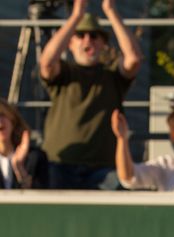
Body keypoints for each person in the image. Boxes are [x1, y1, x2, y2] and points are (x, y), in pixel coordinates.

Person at [39, 0, 142, 190]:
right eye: (80, 35)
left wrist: (110, 11)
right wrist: (76, 16)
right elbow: (46, 62)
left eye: (94, 36)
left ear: (103, 43)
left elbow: (133, 59)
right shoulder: (64, 74)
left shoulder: (113, 76)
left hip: (104, 171)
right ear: (70, 42)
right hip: (59, 165)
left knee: (126, 189)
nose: (88, 40)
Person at [0, 98, 48, 189]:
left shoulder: (35, 158)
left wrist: (20, 169)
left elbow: (42, 197)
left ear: (13, 120)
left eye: (3, 115)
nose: (0, 121)